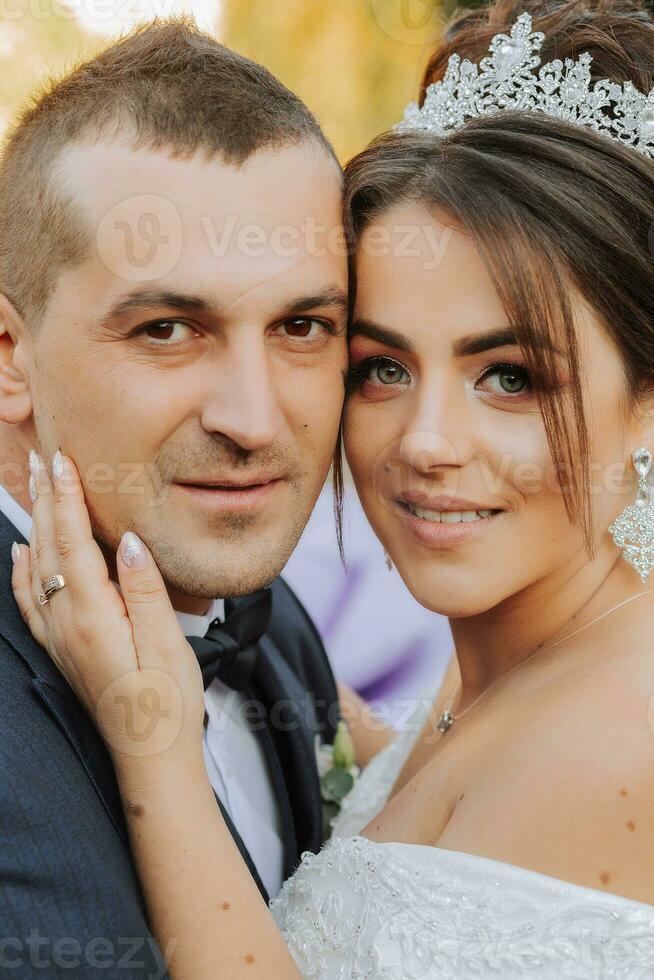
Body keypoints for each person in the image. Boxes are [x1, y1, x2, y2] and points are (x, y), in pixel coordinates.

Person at [11, 0, 654, 975]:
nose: (429, 443)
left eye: (512, 376)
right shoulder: (376, 660)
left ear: (645, 401)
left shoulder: (622, 746)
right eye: (382, 366)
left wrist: (159, 755)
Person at [0, 17, 392, 978]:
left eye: (303, 324)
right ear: (10, 358)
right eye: (170, 329)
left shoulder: (272, 624)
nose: (254, 419)